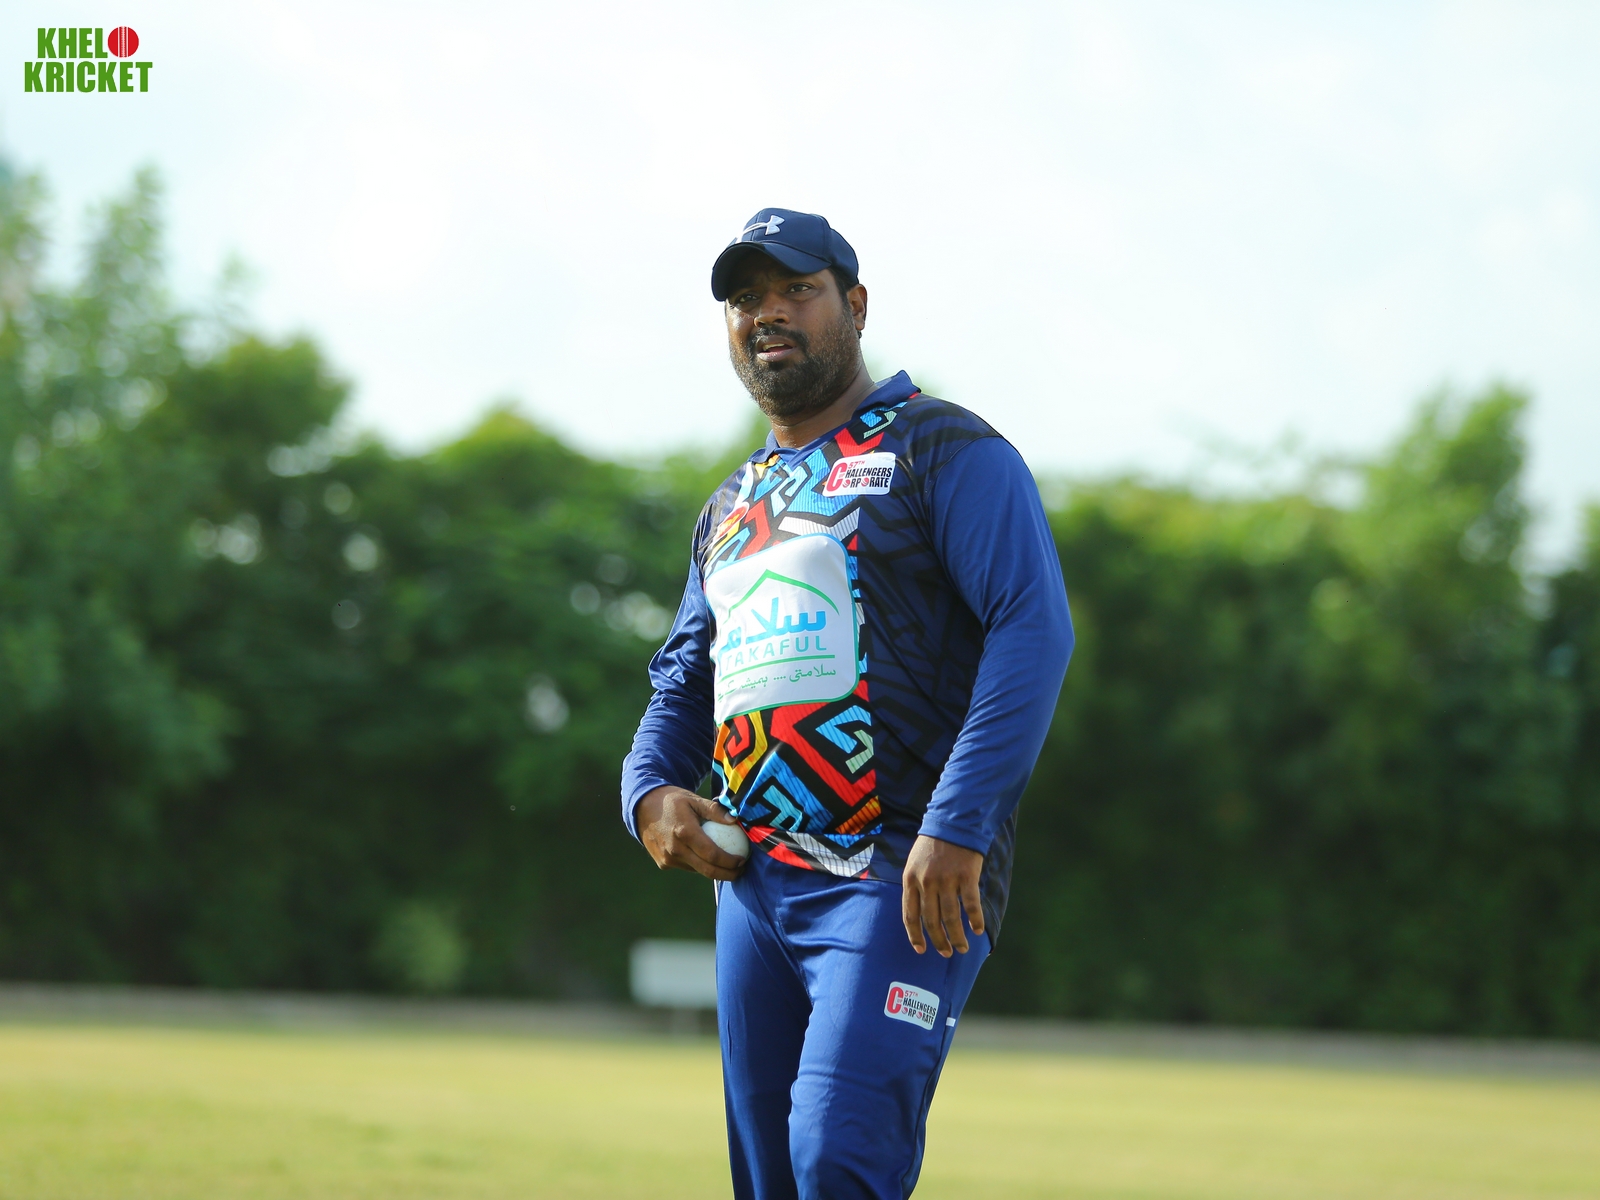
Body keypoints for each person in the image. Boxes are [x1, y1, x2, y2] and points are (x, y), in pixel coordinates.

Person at [621, 208, 1073, 1200]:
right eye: (746, 299)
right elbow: (683, 680)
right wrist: (648, 792)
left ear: (855, 305)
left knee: (838, 1157)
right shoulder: (732, 505)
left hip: (901, 872)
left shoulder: (941, 448)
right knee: (771, 1181)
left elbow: (1033, 629)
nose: (768, 314)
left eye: (797, 290)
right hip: (753, 886)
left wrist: (958, 825)